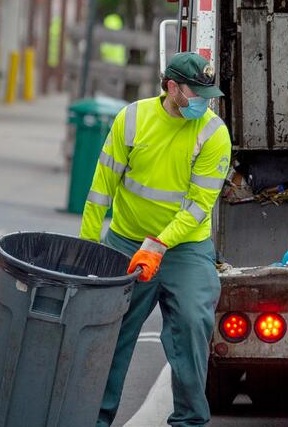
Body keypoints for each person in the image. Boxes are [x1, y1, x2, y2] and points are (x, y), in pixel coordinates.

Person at [79, 52, 231, 427]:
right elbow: (102, 188)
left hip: (185, 250)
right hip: (126, 243)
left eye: (208, 94)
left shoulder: (214, 133)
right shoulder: (132, 119)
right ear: (171, 87)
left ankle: (190, 420)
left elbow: (199, 207)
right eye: (196, 93)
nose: (204, 101)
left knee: (194, 323)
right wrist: (87, 248)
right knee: (109, 334)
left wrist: (160, 245)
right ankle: (93, 419)